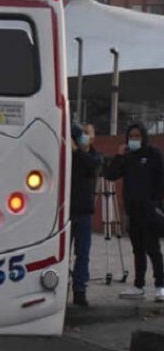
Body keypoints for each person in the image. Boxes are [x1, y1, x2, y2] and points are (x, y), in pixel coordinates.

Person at [105, 122, 164, 302]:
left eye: (137, 136)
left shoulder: (153, 155)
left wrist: (156, 203)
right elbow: (110, 174)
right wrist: (119, 155)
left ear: (144, 137)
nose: (134, 139)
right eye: (131, 136)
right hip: (133, 211)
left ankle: (160, 286)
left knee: (152, 249)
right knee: (137, 249)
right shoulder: (128, 157)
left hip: (150, 211)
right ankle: (138, 286)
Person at [70, 123, 102, 307]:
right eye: (82, 134)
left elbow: (91, 166)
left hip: (83, 213)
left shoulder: (94, 157)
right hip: (66, 212)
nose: (85, 137)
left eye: (88, 133)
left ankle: (79, 290)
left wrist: (76, 151)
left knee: (82, 254)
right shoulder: (68, 155)